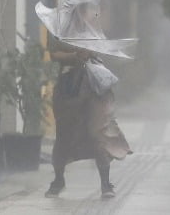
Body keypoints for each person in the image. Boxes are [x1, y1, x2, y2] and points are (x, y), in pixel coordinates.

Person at [44, 35, 132, 199]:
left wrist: (89, 51)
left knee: (97, 132)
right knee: (64, 134)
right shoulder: (59, 28)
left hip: (93, 87)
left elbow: (100, 48)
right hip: (69, 87)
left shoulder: (90, 25)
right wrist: (74, 55)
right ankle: (58, 180)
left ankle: (105, 183)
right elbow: (54, 53)